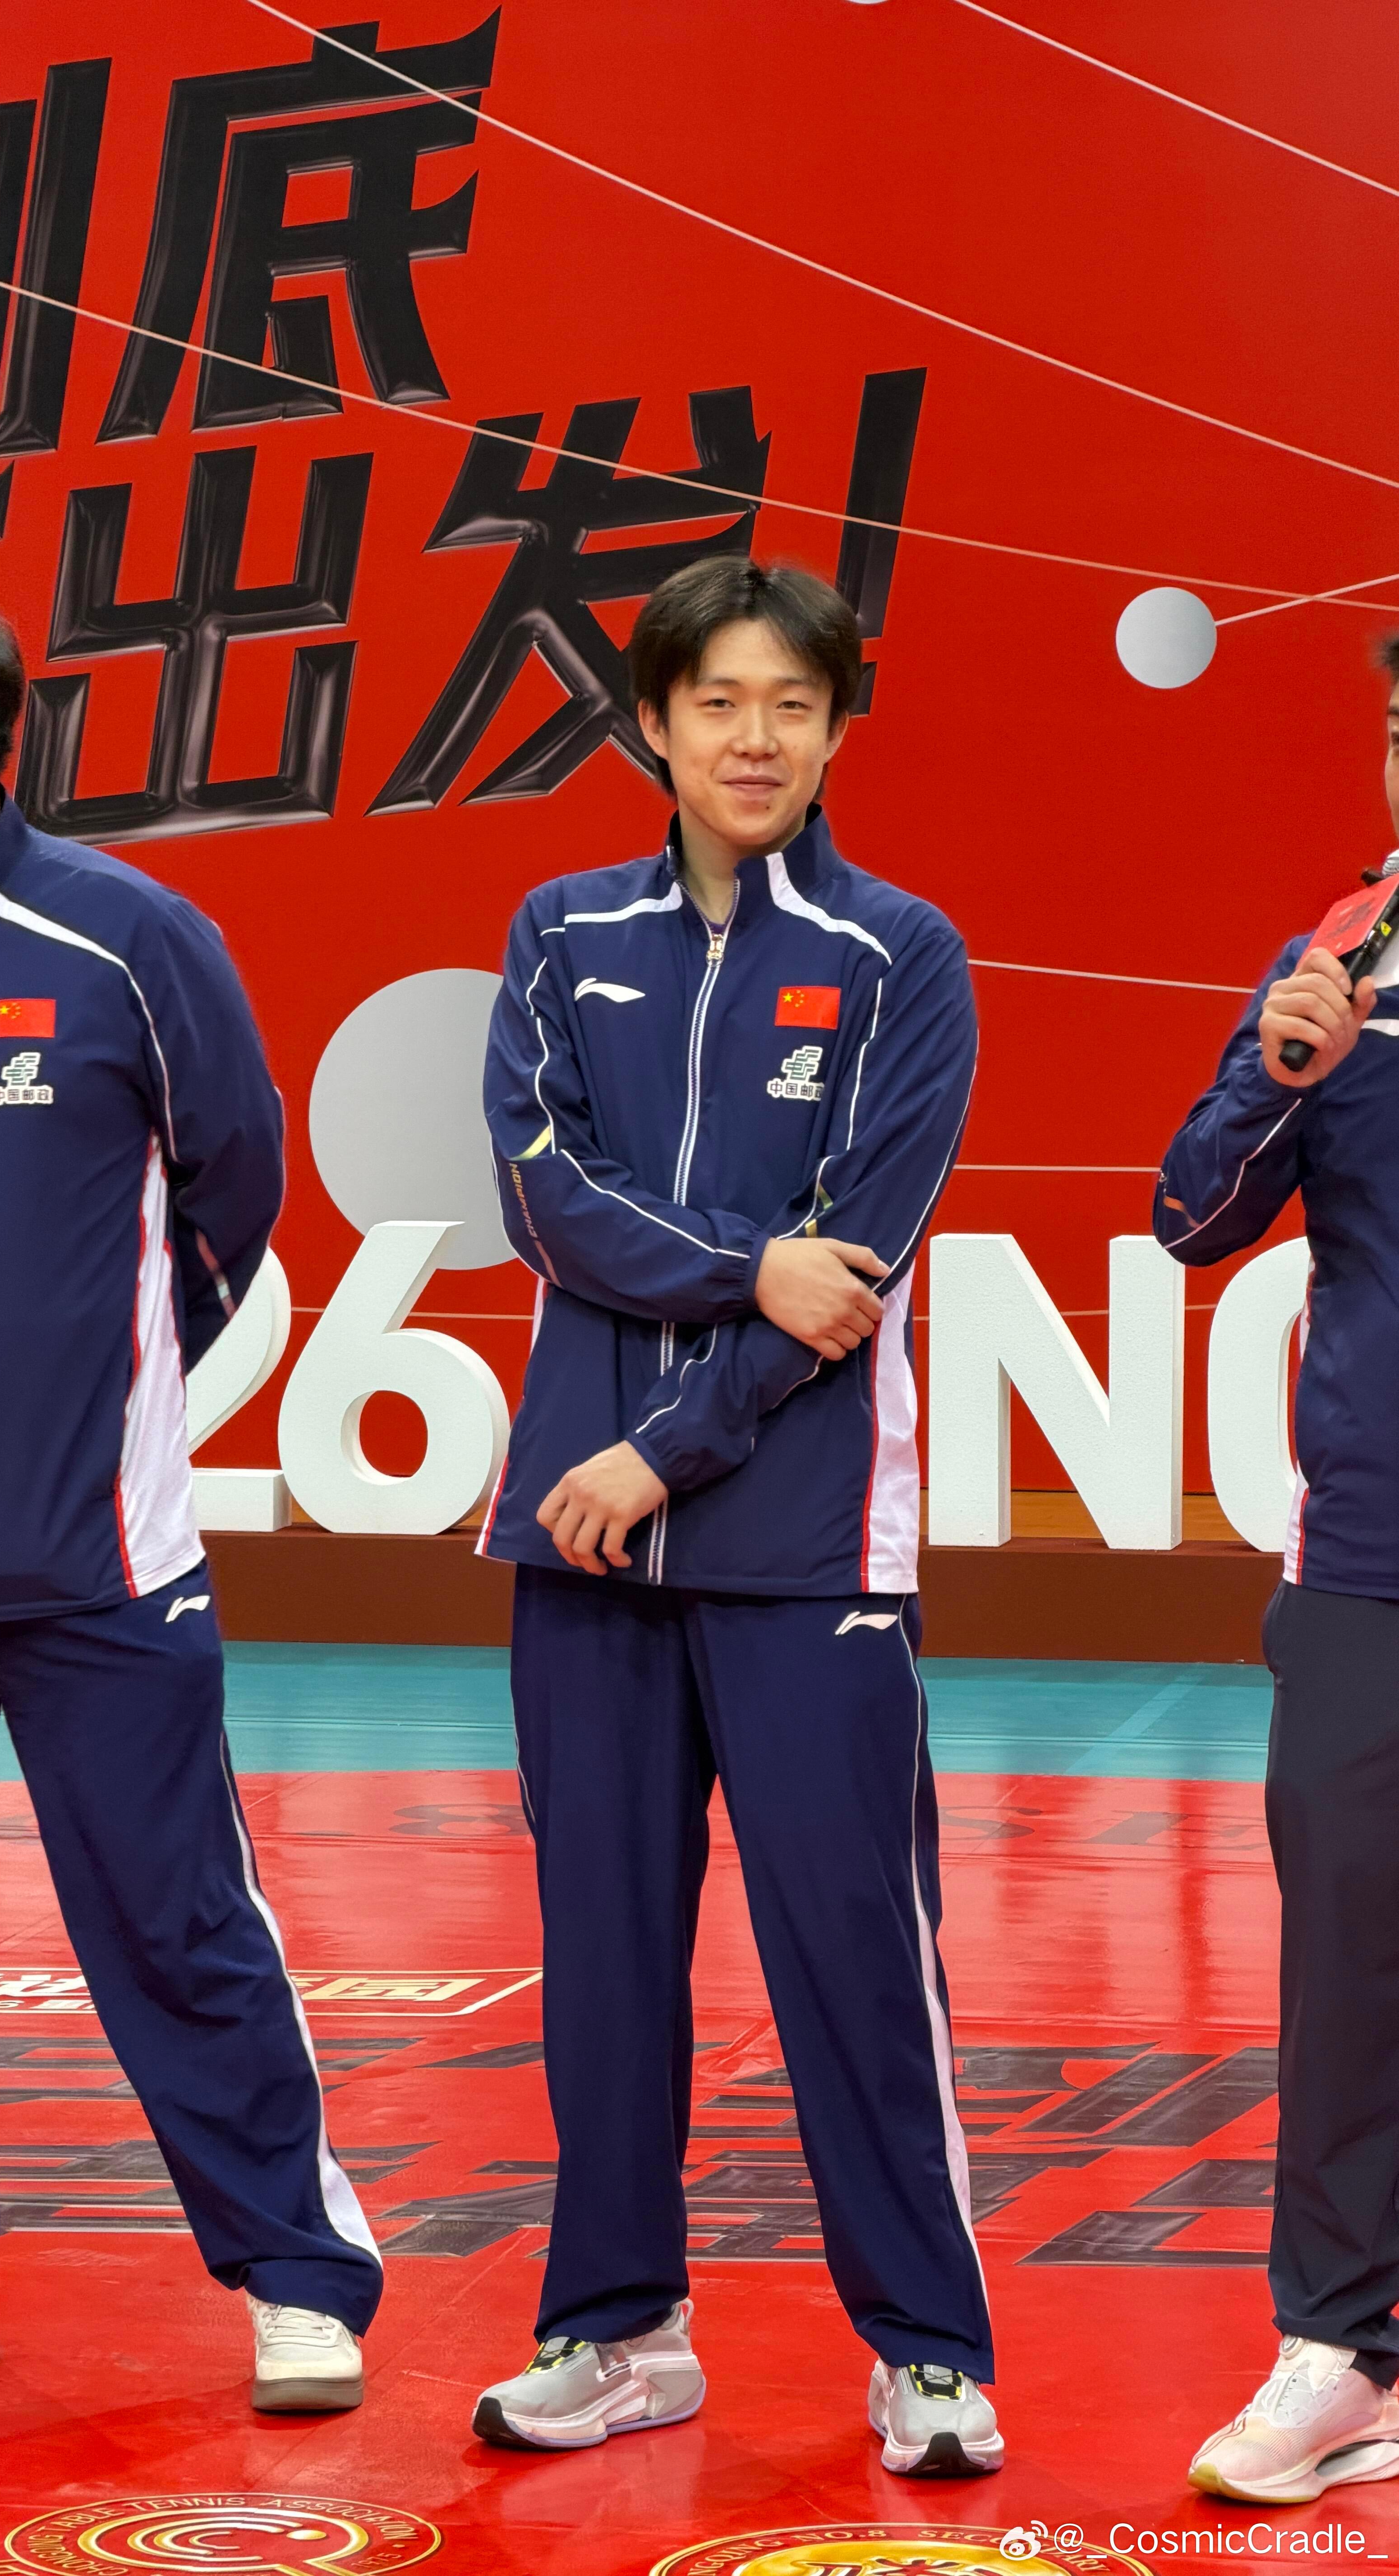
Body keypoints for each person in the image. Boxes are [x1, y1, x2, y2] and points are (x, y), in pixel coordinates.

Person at [473, 555, 998, 2476]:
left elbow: (855, 1267)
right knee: (605, 1956)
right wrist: (744, 1261)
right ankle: (618, 2330)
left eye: (792, 703)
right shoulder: (561, 931)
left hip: (801, 1540)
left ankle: (930, 2348)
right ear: (654, 723)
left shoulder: (902, 955)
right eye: (718, 703)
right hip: (582, 1547)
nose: (754, 738)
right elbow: (546, 1192)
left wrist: (665, 1448)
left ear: (839, 727)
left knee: (855, 1951)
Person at [0, 596, 381, 2409]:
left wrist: (104, 1389)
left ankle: (300, 2274)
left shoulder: (126, 938)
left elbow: (235, 1186)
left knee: (177, 1922)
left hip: (99, 1560)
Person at [1157, 637, 1399, 2507]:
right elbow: (1189, 1215)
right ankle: (1342, 2350)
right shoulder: (1339, 967)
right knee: (1348, 1970)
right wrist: (1275, 1066)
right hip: (1369, 1561)